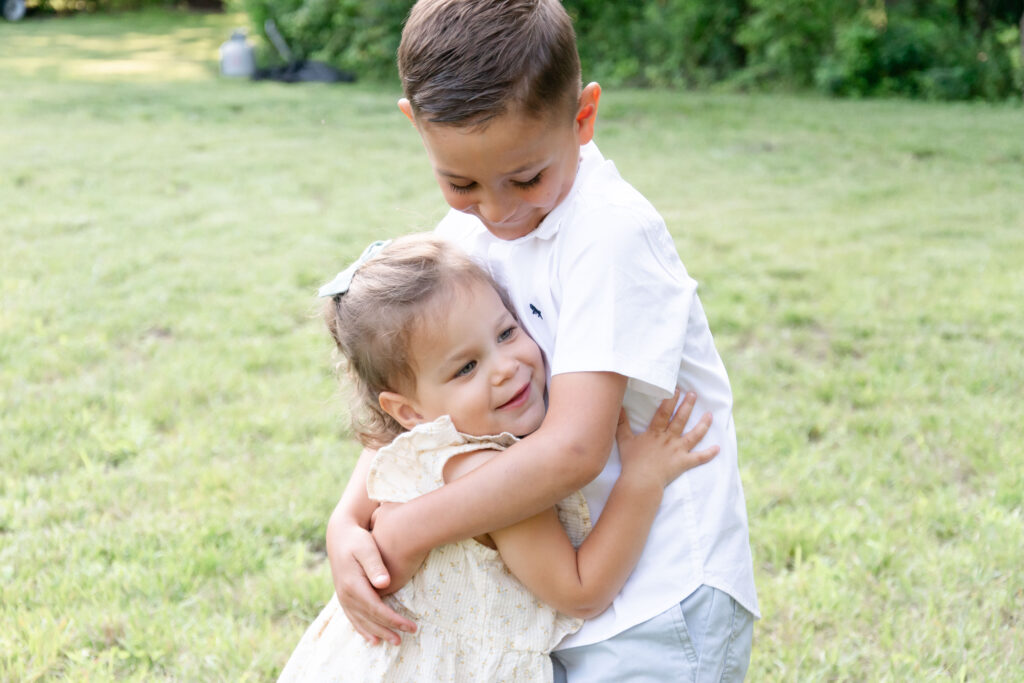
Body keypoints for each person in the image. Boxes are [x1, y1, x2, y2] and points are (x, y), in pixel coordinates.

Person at [326, 1, 761, 680]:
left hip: (661, 594)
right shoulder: (462, 234)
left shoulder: (610, 232)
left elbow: (575, 450)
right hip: (554, 596)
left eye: (526, 177)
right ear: (416, 126)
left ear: (582, 119)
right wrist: (348, 524)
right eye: (462, 182)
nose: (499, 211)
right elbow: (416, 407)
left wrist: (408, 527)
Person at [278, 235, 719, 681]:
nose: (506, 366)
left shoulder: (409, 453)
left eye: (506, 333)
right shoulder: (491, 477)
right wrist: (642, 480)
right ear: (409, 411)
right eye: (466, 368)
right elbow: (581, 592)